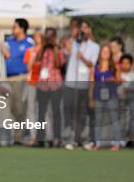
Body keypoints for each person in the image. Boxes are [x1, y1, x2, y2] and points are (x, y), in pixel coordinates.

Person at [63, 19, 99, 149]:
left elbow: (92, 64)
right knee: (69, 112)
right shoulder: (73, 43)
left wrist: (82, 57)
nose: (81, 30)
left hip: (84, 83)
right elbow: (65, 52)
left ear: (89, 29)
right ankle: (69, 139)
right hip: (70, 82)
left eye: (84, 28)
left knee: (82, 113)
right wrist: (73, 37)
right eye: (80, 28)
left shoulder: (94, 46)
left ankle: (82, 139)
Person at [32, 28, 65, 147]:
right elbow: (36, 62)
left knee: (56, 113)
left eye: (50, 36)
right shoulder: (42, 49)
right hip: (42, 85)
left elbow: (59, 64)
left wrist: (55, 47)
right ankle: (40, 138)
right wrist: (43, 46)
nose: (49, 39)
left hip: (55, 84)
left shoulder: (58, 49)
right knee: (41, 113)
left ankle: (57, 138)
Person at [5, 18, 34, 144]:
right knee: (9, 107)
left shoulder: (29, 42)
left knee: (19, 107)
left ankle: (19, 136)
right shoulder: (9, 41)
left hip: (20, 78)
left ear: (22, 28)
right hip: (7, 78)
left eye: (15, 26)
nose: (13, 29)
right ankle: (11, 136)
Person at [89, 44, 121, 151]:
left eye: (107, 51)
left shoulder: (115, 66)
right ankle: (97, 143)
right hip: (98, 96)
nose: (105, 53)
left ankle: (116, 143)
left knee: (114, 119)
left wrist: (113, 80)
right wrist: (91, 98)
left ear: (110, 54)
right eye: (104, 51)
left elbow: (119, 80)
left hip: (112, 96)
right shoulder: (95, 67)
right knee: (98, 120)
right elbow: (91, 83)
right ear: (100, 53)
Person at [22, 29, 44, 145]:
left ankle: (45, 135)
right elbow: (28, 68)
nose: (37, 38)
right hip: (32, 83)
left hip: (44, 84)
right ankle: (33, 136)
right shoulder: (30, 51)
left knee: (44, 111)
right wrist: (34, 56)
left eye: (39, 36)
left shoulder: (46, 51)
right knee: (31, 111)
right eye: (35, 36)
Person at [117, 54, 134, 147]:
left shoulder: (132, 75)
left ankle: (130, 140)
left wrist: (128, 87)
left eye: (128, 63)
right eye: (123, 63)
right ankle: (120, 141)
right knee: (121, 121)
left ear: (131, 64)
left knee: (131, 121)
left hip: (131, 100)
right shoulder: (118, 73)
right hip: (120, 101)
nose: (125, 65)